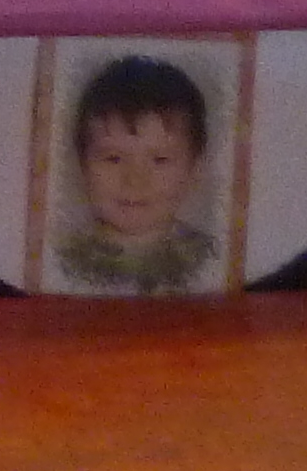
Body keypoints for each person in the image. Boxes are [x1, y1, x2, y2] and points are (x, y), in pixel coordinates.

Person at [57, 55, 222, 297]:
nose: (135, 181)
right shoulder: (62, 259)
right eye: (114, 159)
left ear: (194, 168)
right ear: (83, 164)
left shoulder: (212, 258)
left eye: (160, 160)